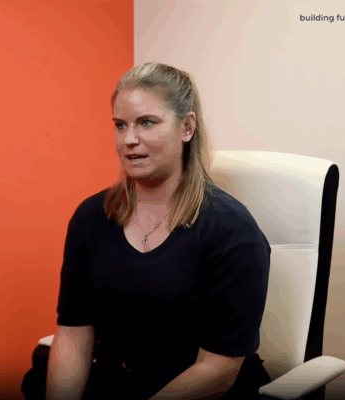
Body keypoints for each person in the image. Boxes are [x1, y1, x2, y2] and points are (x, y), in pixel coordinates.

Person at [22, 62, 272, 399]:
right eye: (120, 125)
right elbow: (74, 333)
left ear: (187, 127)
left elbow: (218, 369)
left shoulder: (233, 232)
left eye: (147, 123)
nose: (129, 140)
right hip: (122, 378)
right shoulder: (91, 217)